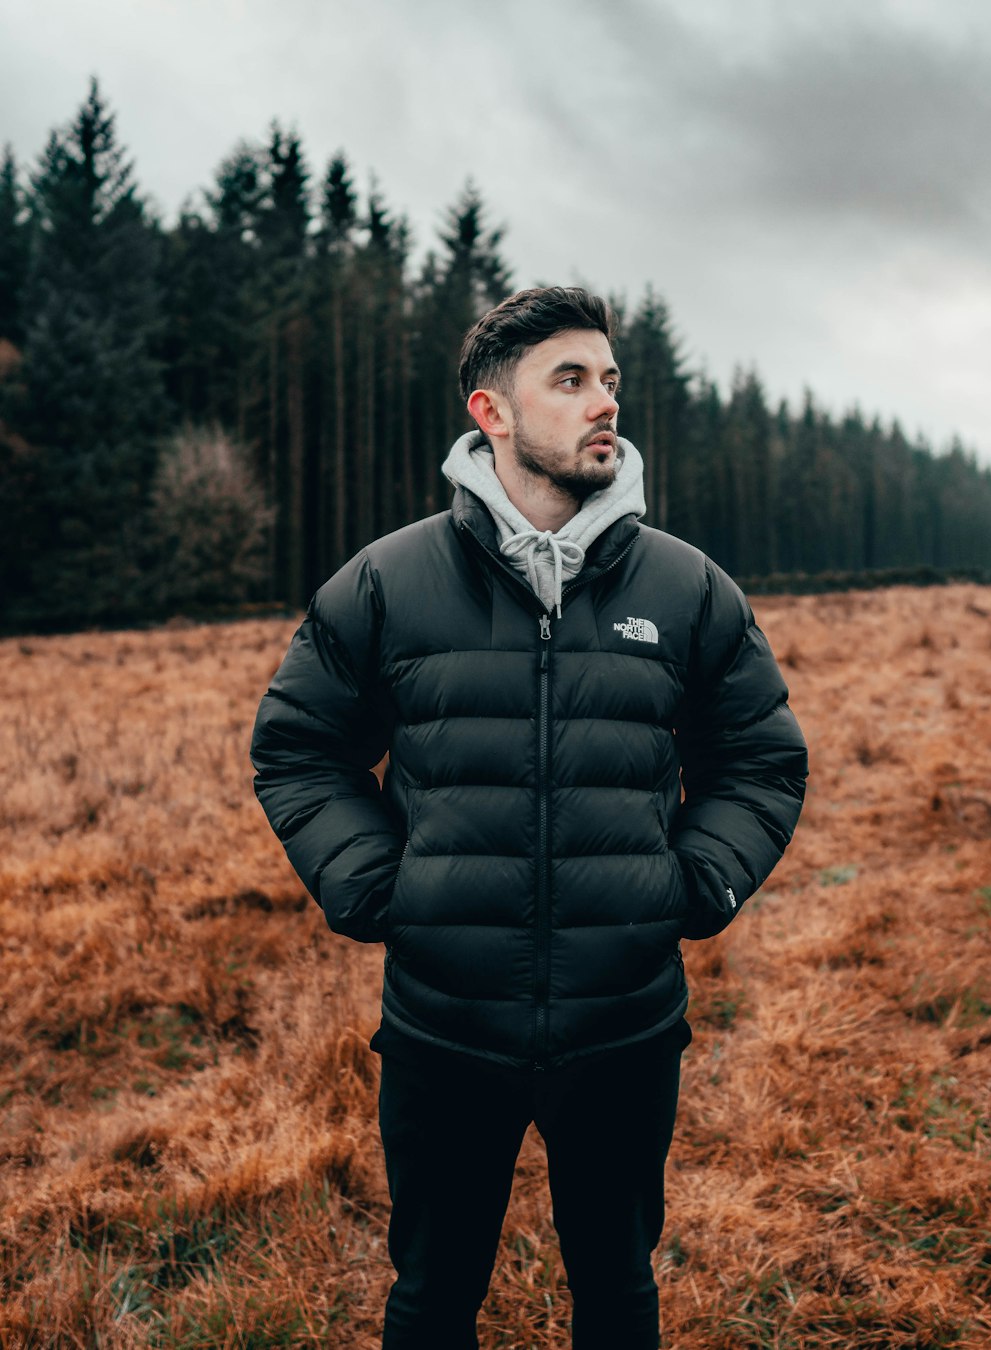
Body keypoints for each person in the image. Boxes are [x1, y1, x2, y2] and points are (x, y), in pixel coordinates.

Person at [250, 286, 808, 1349]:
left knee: (618, 1296)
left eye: (610, 381)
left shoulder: (689, 590)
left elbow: (759, 761)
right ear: (491, 413)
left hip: (625, 1022)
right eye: (570, 380)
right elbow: (299, 748)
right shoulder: (385, 584)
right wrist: (375, 886)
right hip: (444, 1026)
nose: (605, 403)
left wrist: (694, 884)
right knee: (430, 1300)